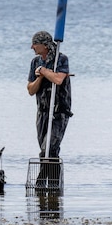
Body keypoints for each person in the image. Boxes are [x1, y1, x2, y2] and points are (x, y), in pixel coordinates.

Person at [27, 30, 72, 159]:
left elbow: (58, 79)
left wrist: (43, 71)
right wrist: (40, 78)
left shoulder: (60, 59)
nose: (32, 47)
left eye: (35, 44)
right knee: (44, 148)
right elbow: (30, 90)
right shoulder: (35, 62)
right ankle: (53, 178)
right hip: (42, 112)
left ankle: (41, 179)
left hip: (59, 112)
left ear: (45, 45)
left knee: (49, 149)